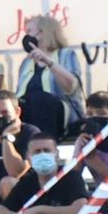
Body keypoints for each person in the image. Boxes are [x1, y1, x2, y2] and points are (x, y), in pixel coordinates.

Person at [15, 13, 84, 143]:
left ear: (42, 33)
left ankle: (46, 146)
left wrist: (48, 61)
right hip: (28, 110)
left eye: (29, 31)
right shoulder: (27, 62)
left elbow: (72, 87)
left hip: (58, 112)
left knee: (40, 99)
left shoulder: (65, 54)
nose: (26, 36)